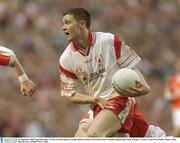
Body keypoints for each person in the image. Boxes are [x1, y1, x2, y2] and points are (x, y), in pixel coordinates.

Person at [59, 7, 165, 137]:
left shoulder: (108, 40)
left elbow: (130, 66)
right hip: (97, 105)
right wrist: (93, 99)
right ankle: (150, 134)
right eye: (63, 24)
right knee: (79, 139)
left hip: (120, 99)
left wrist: (145, 87)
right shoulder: (65, 58)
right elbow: (70, 94)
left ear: (82, 24)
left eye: (68, 22)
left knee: (95, 135)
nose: (63, 27)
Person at [164, 58, 180, 137]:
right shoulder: (172, 80)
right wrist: (174, 96)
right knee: (178, 130)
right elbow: (167, 96)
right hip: (177, 109)